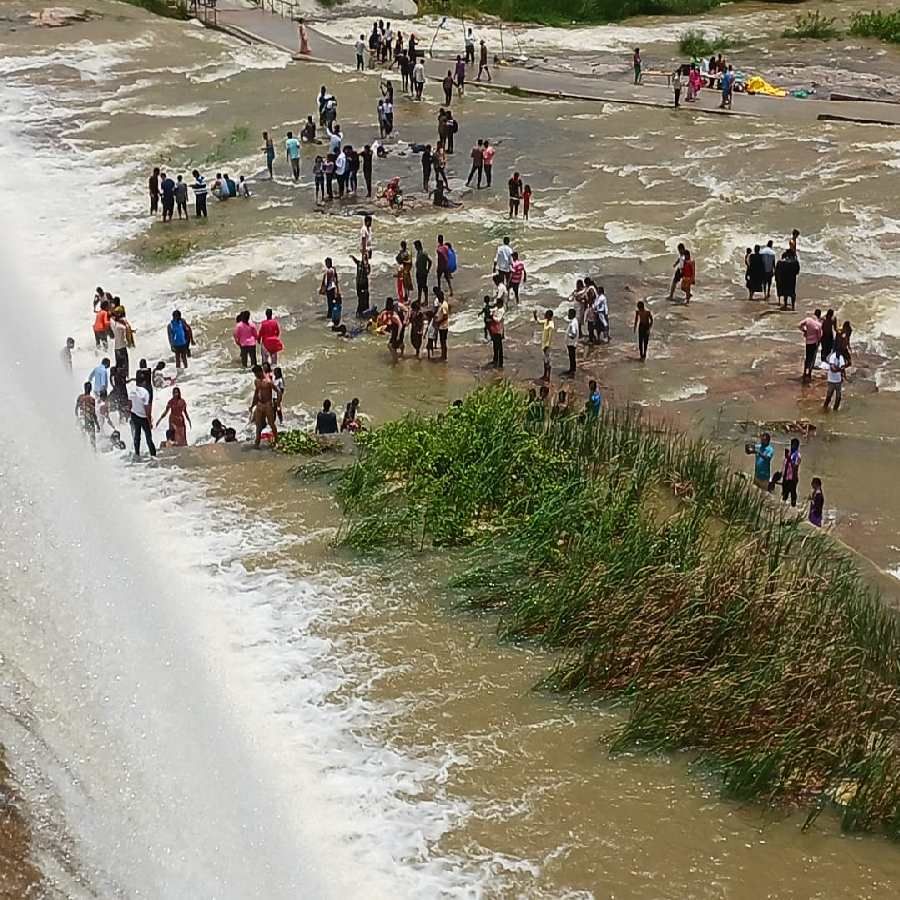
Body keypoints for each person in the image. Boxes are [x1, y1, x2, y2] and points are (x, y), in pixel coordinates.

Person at [128, 371, 156, 459]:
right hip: (143, 417)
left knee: (137, 435)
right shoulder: (145, 393)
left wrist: (131, 413)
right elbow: (147, 408)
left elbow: (129, 404)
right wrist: (150, 420)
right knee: (148, 437)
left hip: (134, 415)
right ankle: (153, 455)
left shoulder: (132, 391)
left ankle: (137, 453)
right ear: (143, 382)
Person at [249, 365, 278, 448]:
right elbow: (256, 393)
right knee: (258, 424)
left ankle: (276, 441)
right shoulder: (256, 381)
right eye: (255, 374)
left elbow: (278, 391)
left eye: (256, 374)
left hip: (268, 404)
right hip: (259, 404)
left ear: (260, 371)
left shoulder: (268, 381)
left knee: (271, 423)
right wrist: (252, 405)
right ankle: (257, 442)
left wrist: (278, 403)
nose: (256, 376)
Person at [799, 309, 822, 380]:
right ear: (819, 315)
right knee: (812, 358)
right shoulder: (818, 325)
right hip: (814, 343)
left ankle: (804, 372)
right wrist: (818, 343)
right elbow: (819, 336)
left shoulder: (808, 320)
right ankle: (809, 373)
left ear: (814, 313)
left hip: (807, 342)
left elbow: (799, 325)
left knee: (807, 357)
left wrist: (805, 331)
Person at [75, 382, 99, 449]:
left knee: (83, 438)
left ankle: (83, 453)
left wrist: (77, 418)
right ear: (91, 389)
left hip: (82, 420)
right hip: (89, 420)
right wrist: (97, 424)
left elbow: (76, 409)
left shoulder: (80, 397)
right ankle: (94, 455)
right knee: (92, 440)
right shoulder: (91, 399)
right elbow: (93, 413)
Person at [823, 344, 846, 412]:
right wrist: (840, 369)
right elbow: (833, 369)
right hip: (831, 380)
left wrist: (842, 374)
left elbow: (842, 368)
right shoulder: (832, 357)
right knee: (829, 396)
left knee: (838, 397)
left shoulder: (841, 358)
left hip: (838, 380)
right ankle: (825, 408)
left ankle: (835, 410)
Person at [781, 438, 801, 507]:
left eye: (794, 445)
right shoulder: (789, 453)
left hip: (793, 478)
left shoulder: (797, 455)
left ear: (797, 446)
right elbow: (784, 464)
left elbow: (795, 466)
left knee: (793, 494)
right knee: (784, 494)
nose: (792, 446)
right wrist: (782, 473)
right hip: (786, 476)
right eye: (792, 444)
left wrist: (789, 459)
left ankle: (794, 508)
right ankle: (782, 508)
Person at [488, 293, 505, 368]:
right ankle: (495, 359)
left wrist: (492, 318)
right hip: (494, 329)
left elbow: (498, 320)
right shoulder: (497, 309)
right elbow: (492, 310)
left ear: (500, 304)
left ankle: (500, 362)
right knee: (495, 345)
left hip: (498, 330)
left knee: (499, 346)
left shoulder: (501, 311)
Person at [110, 311, 129, 378]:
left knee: (118, 364)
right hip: (122, 348)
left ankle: (118, 377)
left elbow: (111, 319)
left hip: (116, 348)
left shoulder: (113, 326)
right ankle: (125, 377)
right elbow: (127, 327)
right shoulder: (122, 327)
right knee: (125, 364)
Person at [434, 289, 450, 361]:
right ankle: (443, 355)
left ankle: (444, 356)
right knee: (442, 341)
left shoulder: (443, 305)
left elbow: (445, 316)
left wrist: (439, 322)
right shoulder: (443, 303)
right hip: (442, 326)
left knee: (443, 341)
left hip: (443, 326)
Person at [564, 308, 579, 377]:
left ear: (572, 314)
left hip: (571, 343)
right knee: (572, 357)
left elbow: (573, 333)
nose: (568, 315)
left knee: (571, 357)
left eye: (569, 314)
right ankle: (572, 369)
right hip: (573, 343)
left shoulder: (573, 323)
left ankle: (572, 371)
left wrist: (568, 335)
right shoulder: (575, 321)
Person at [540, 309, 554, 382]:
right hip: (544, 344)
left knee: (548, 361)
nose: (545, 315)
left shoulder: (551, 325)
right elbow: (539, 322)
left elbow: (550, 337)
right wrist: (535, 316)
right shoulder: (546, 321)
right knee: (545, 361)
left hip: (547, 346)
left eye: (546, 315)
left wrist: (546, 346)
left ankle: (548, 376)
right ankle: (545, 374)